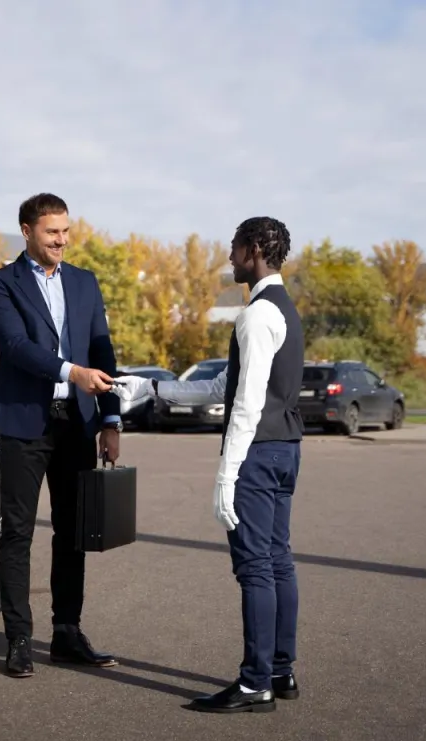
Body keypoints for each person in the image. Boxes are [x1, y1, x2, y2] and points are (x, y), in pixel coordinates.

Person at [111, 216, 304, 712]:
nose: (230, 256)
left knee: (256, 567)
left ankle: (255, 682)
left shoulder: (257, 315)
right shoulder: (282, 310)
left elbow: (247, 405)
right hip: (285, 450)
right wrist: (150, 387)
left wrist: (227, 472)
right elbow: (222, 388)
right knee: (278, 560)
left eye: (236, 247)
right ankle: (280, 671)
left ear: (256, 248)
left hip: (258, 455)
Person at [0, 192, 124, 678]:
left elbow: (102, 350)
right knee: (17, 533)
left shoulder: (85, 283)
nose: (62, 240)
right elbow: (15, 346)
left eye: (65, 231)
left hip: (79, 424)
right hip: (25, 424)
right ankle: (18, 638)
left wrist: (110, 419)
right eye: (51, 232)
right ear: (26, 231)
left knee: (73, 533)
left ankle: (66, 633)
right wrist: (70, 371)